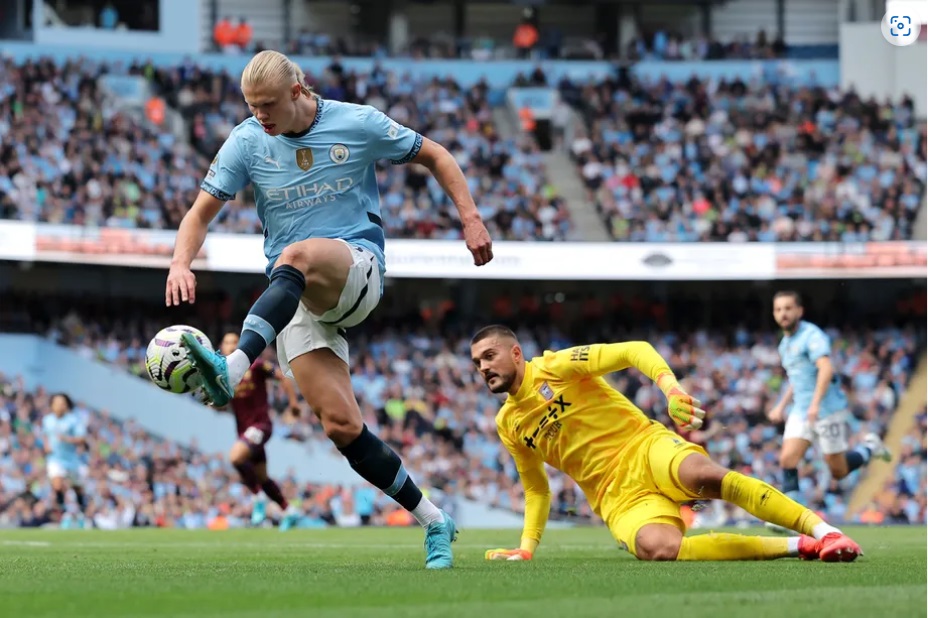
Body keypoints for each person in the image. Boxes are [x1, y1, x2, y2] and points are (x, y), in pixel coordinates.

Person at [165, 49, 493, 569]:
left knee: (294, 257)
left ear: (298, 91)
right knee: (342, 426)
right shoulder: (247, 140)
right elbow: (199, 213)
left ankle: (232, 366)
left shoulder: (356, 122)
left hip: (356, 269)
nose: (259, 116)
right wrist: (180, 262)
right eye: (251, 106)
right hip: (295, 295)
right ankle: (435, 520)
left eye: (268, 104)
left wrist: (470, 219)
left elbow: (437, 154)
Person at [469, 325, 863, 563]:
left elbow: (633, 350)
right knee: (659, 549)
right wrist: (527, 546)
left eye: (490, 356)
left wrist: (670, 390)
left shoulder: (556, 366)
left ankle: (826, 530)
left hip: (643, 446)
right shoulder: (508, 423)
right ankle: (801, 546)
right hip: (614, 495)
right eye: (477, 363)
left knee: (702, 475)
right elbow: (536, 489)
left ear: (516, 353)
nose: (484, 367)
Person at [766, 291, 890, 533]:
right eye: (779, 309)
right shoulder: (784, 344)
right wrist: (781, 405)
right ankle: (791, 516)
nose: (783, 313)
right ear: (774, 314)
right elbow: (797, 377)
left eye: (788, 308)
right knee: (787, 459)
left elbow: (826, 369)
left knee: (838, 471)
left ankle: (870, 448)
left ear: (799, 311)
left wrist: (815, 404)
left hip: (827, 410)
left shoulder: (812, 336)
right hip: (802, 410)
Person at [216, 332, 301, 530]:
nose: (230, 345)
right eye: (226, 342)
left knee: (236, 458)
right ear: (221, 346)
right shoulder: (224, 376)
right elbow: (220, 407)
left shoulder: (256, 365)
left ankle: (257, 498)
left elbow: (283, 378)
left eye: (235, 342)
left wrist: (293, 403)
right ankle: (289, 510)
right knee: (262, 478)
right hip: (244, 432)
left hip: (261, 426)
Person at [42, 393, 88, 527]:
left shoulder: (73, 420)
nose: (59, 406)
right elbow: (45, 434)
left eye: (62, 403)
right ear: (52, 405)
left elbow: (82, 438)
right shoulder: (47, 420)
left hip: (71, 459)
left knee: (77, 486)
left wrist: (68, 439)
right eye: (56, 403)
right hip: (55, 458)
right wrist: (46, 446)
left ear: (66, 405)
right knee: (57, 483)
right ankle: (62, 510)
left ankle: (81, 507)